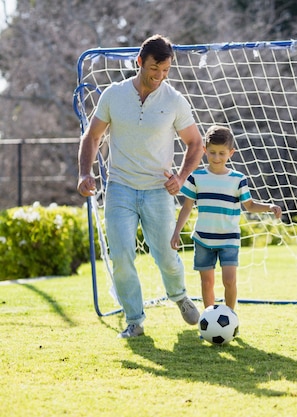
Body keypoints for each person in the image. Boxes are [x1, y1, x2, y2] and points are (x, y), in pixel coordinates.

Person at [77, 34, 204, 339]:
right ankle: (134, 319)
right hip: (120, 188)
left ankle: (180, 296)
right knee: (121, 256)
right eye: (154, 69)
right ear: (139, 62)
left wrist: (181, 177)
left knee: (165, 255)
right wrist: (84, 173)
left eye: (165, 71)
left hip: (157, 190)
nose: (160, 76)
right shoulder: (113, 95)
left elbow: (195, 142)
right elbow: (92, 137)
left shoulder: (174, 100)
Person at [170, 125, 282, 312]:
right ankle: (208, 320)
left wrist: (269, 207)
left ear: (231, 153)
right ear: (204, 150)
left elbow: (250, 205)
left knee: (229, 281)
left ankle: (231, 318)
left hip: (229, 240)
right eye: (212, 152)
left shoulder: (238, 179)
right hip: (203, 239)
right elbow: (187, 207)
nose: (216, 157)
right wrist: (176, 232)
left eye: (222, 153)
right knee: (207, 283)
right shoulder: (196, 178)